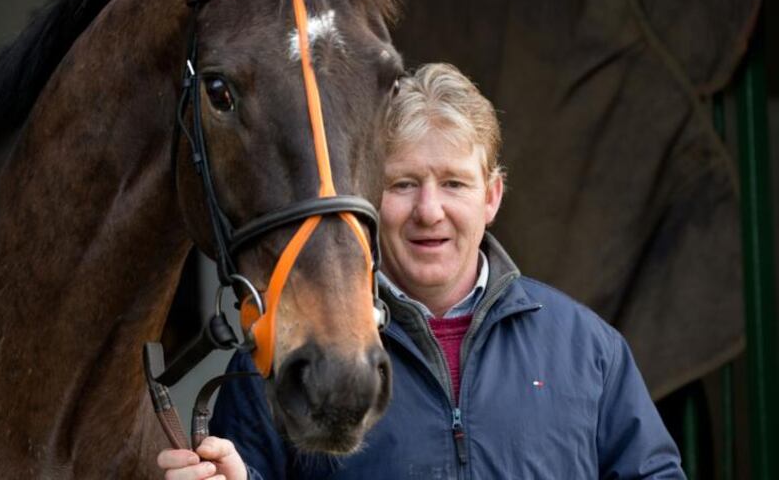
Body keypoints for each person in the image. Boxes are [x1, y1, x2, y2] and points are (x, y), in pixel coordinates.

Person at [158, 63, 685, 479]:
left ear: (492, 197)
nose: (429, 211)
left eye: (454, 184)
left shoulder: (589, 352)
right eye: (403, 184)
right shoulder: (289, 356)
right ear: (365, 193)